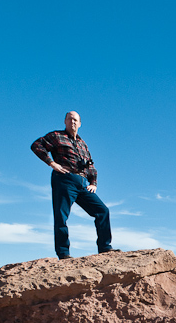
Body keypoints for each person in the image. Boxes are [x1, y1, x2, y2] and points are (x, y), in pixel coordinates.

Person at [31, 111, 119, 259]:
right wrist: (51, 163)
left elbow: (90, 165)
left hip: (83, 183)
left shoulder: (83, 143)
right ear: (65, 121)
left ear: (80, 124)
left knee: (102, 210)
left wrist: (93, 182)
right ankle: (64, 253)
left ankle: (105, 247)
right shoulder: (57, 136)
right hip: (64, 179)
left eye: (75, 120)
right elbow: (36, 145)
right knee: (61, 216)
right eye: (70, 119)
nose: (72, 122)